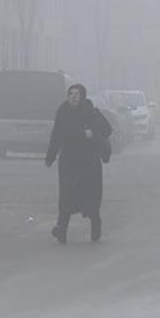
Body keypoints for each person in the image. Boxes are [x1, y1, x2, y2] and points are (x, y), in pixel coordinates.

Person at [45, 84, 112, 244]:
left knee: (90, 197)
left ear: (82, 96)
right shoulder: (63, 112)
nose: (73, 97)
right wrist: (50, 156)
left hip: (88, 163)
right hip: (68, 162)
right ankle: (62, 230)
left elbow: (107, 129)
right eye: (71, 93)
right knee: (66, 196)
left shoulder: (91, 112)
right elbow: (56, 136)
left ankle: (95, 225)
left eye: (77, 94)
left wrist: (93, 133)